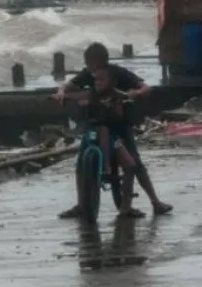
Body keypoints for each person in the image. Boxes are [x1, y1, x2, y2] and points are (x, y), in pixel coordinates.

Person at [53, 42, 173, 218]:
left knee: (134, 163)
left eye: (89, 64)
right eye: (94, 79)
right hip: (96, 124)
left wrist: (136, 94)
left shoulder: (118, 73)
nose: (94, 78)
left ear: (95, 62)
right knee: (80, 164)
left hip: (119, 126)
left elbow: (145, 87)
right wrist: (62, 92)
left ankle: (154, 202)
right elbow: (68, 86)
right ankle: (81, 204)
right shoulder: (88, 75)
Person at [80, 67, 140, 217]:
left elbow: (120, 113)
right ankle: (84, 199)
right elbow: (75, 97)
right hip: (93, 135)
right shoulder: (90, 94)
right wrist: (66, 97)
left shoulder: (116, 96)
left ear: (112, 82)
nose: (97, 83)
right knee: (81, 161)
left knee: (130, 165)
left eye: (101, 80)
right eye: (95, 80)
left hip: (112, 138)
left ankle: (126, 206)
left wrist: (115, 106)